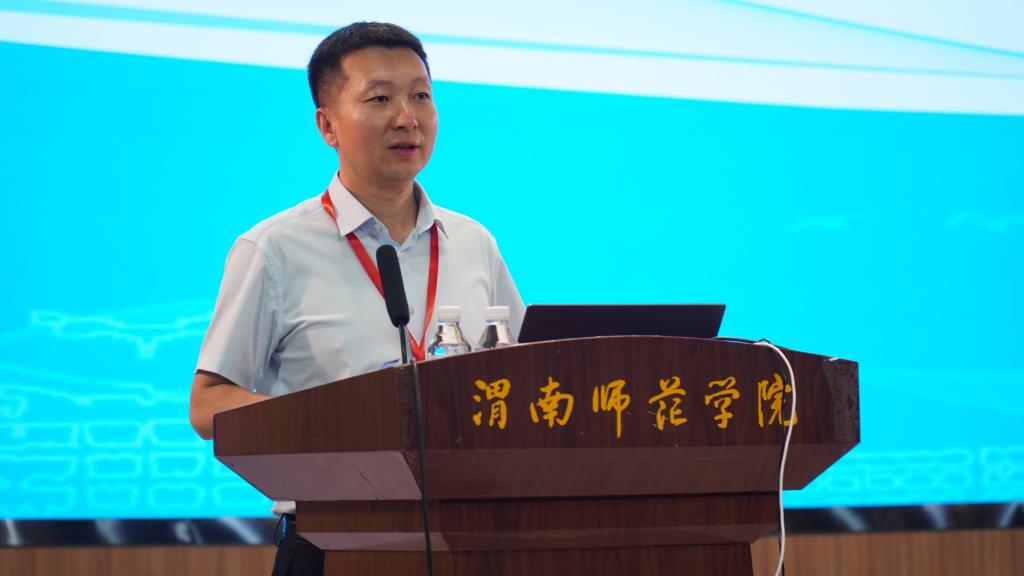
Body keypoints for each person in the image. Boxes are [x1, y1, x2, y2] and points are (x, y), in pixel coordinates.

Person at [188, 22, 525, 575]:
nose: (407, 117)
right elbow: (207, 407)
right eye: (380, 99)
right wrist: (334, 419)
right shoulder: (274, 249)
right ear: (327, 125)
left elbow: (524, 373)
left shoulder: (473, 242)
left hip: (471, 538)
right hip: (333, 542)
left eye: (421, 96)